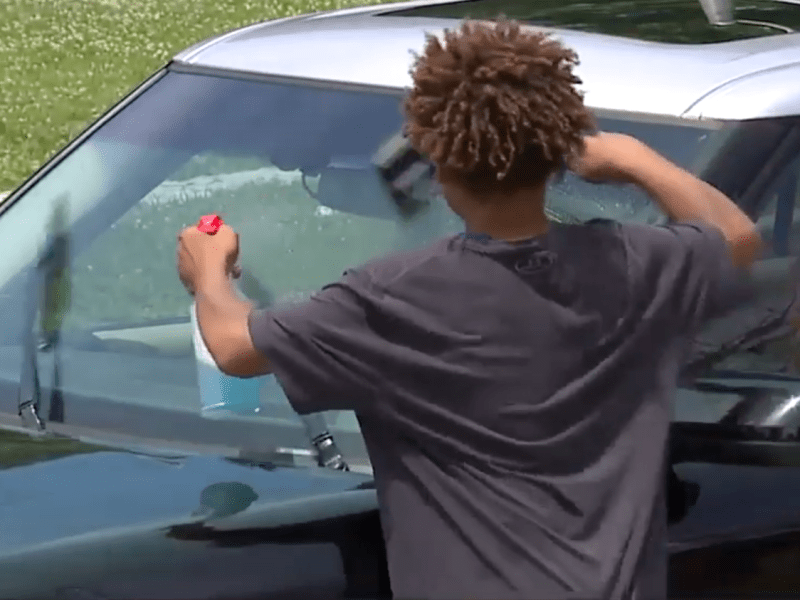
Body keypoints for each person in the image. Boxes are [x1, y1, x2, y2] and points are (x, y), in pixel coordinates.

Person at [175, 19, 762, 600]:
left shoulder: (394, 299)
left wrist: (209, 271)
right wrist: (633, 158)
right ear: (561, 143)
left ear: (436, 155)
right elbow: (735, 236)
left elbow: (232, 345)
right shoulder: (639, 265)